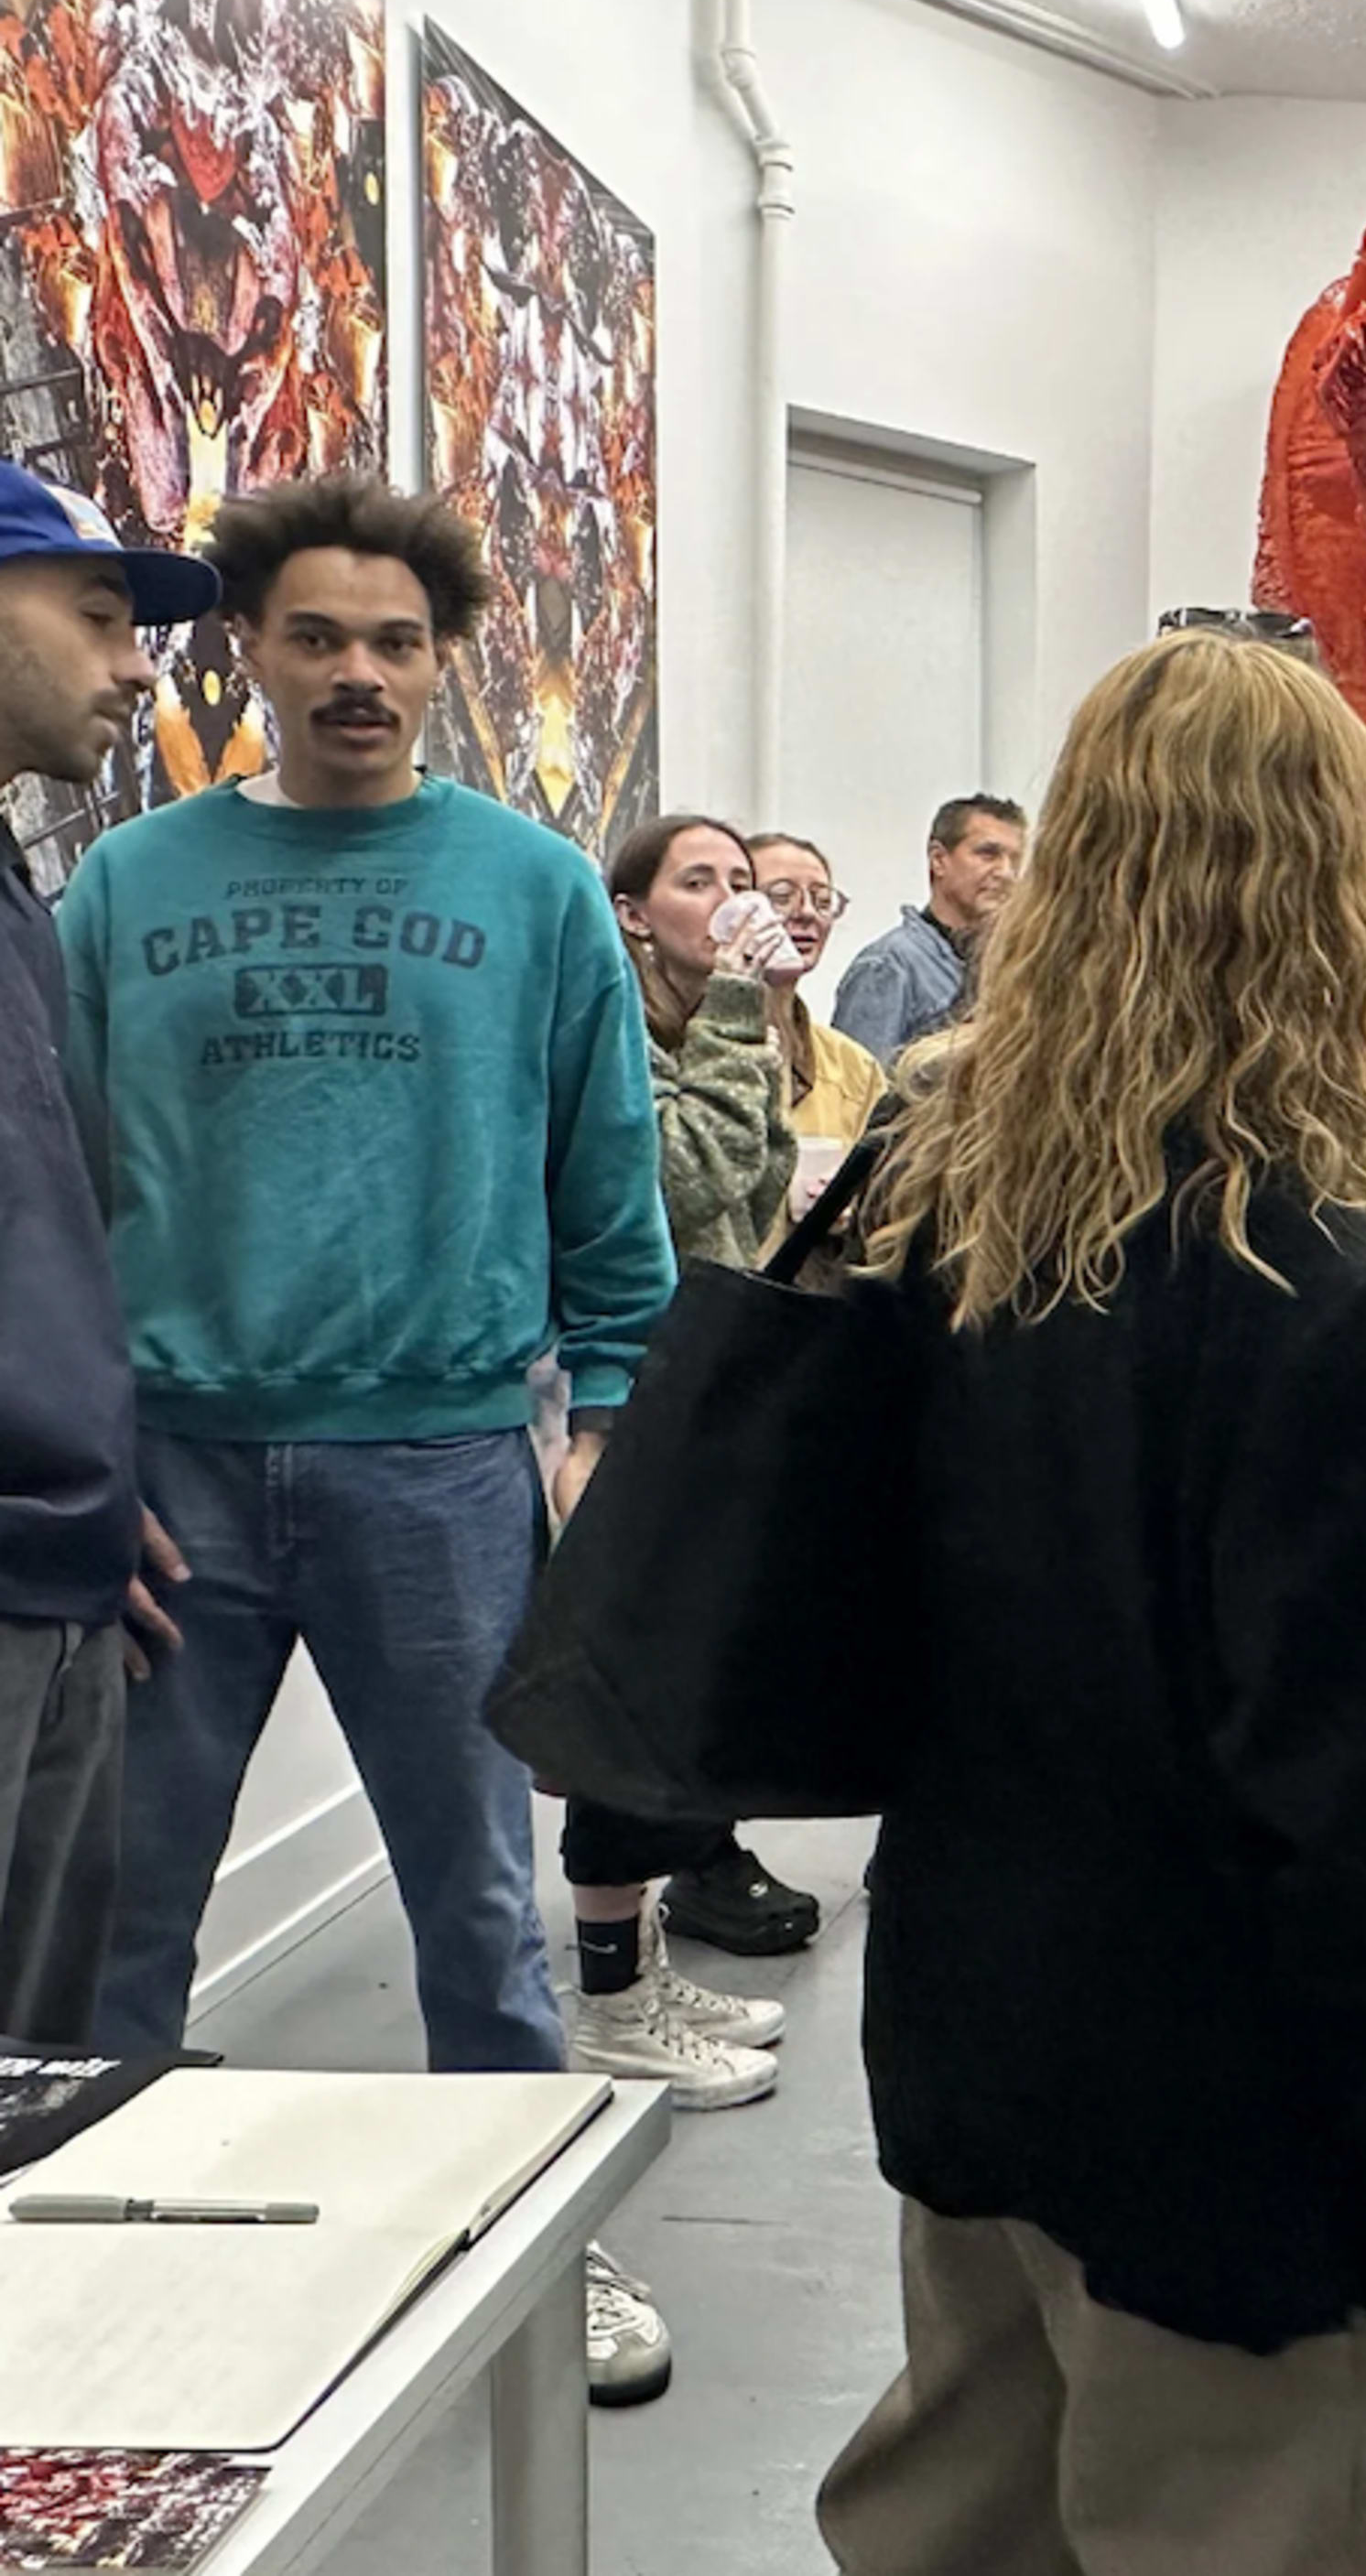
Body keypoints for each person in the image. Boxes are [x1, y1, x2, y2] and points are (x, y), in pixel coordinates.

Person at [821, 631, 1366, 2576]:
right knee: (1243, 2517)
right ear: (1318, 883)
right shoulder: (1296, 1258)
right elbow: (1321, 1773)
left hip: (973, 1972)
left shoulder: (930, 1171)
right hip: (1221, 2065)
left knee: (970, 2503)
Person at [60, 472, 679, 2401]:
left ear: (442, 663)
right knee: (118, 1916)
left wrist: (615, 1411)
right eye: (317, 636)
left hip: (437, 1466)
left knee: (481, 1907)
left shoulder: (533, 886)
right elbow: (54, 1190)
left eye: (396, 642)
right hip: (173, 1476)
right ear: (245, 644)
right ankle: (79, 2259)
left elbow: (609, 1173)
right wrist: (87, 1453)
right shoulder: (124, 885)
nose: (356, 674)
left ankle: (535, 2250)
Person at [547, 813, 808, 2112]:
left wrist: (749, 1023)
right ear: (635, 911)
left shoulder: (703, 1025)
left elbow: (751, 1188)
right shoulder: (613, 1031)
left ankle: (635, 1966)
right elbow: (678, 1171)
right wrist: (738, 1019)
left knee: (670, 1700)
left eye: (743, 881)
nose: (735, 901)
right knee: (620, 1711)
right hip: (619, 1404)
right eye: (700, 881)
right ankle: (608, 2003)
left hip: (695, 1391)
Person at [0, 466, 207, 2041]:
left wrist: (94, 1469)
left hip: (64, 1561)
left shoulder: (18, 886)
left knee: (40, 2079)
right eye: (96, 616)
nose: (138, 665)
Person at [830, 792, 1024, 1066]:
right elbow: (858, 1091)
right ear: (938, 860)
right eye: (987, 854)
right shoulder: (889, 965)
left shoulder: (1014, 966)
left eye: (1015, 860)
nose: (1005, 872)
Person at [746, 830, 885, 1152]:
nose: (807, 912)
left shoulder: (853, 1068)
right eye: (781, 896)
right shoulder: (689, 1043)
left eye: (823, 902)